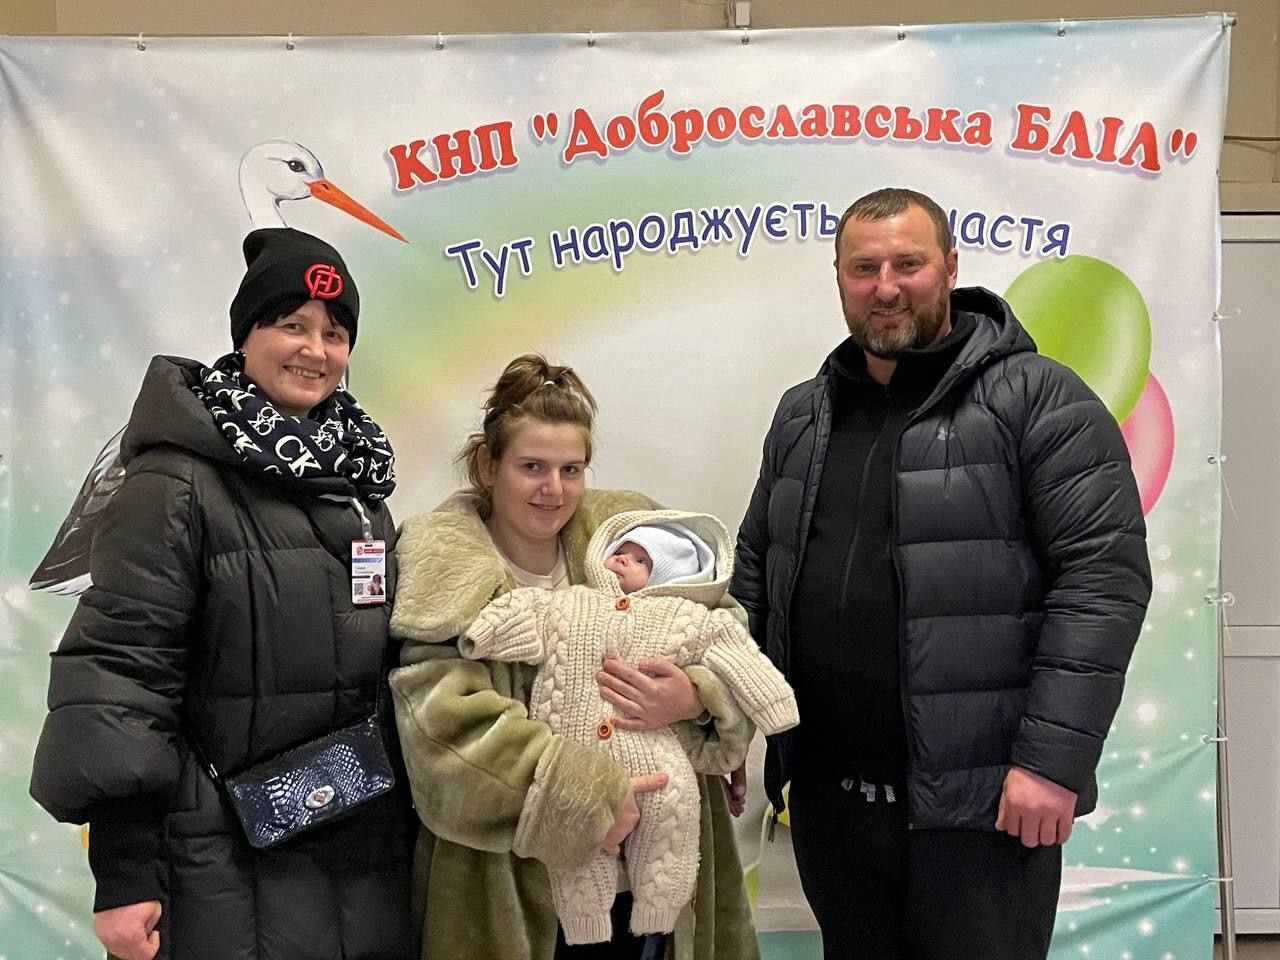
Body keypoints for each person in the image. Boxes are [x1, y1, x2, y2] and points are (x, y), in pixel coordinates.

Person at [731, 187, 1152, 960]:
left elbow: (1102, 583)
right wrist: (725, 730)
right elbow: (757, 579)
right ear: (838, 277)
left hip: (981, 810)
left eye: (908, 264)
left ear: (950, 268)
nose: (886, 286)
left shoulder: (1039, 399)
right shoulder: (802, 415)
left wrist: (1051, 765)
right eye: (864, 268)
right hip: (831, 807)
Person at [29, 228, 413, 960]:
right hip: (219, 867)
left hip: (359, 853)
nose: (315, 349)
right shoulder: (174, 481)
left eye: (334, 334)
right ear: (247, 334)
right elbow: (121, 673)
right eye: (292, 324)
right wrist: (124, 871)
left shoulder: (358, 484)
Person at [388, 355, 761, 960]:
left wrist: (696, 698)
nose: (553, 490)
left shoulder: (632, 544)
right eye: (531, 467)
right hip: (517, 892)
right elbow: (443, 735)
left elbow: (723, 634)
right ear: (488, 465)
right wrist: (587, 800)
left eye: (571, 469)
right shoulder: (447, 570)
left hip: (652, 885)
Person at [457, 510, 798, 944]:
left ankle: (659, 911)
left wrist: (776, 710)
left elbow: (741, 657)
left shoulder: (687, 617)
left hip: (656, 756)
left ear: (669, 579)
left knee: (673, 814)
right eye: (621, 551)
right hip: (577, 761)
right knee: (581, 847)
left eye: (642, 560)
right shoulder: (572, 601)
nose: (622, 560)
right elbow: (527, 609)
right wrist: (483, 634)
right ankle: (584, 921)